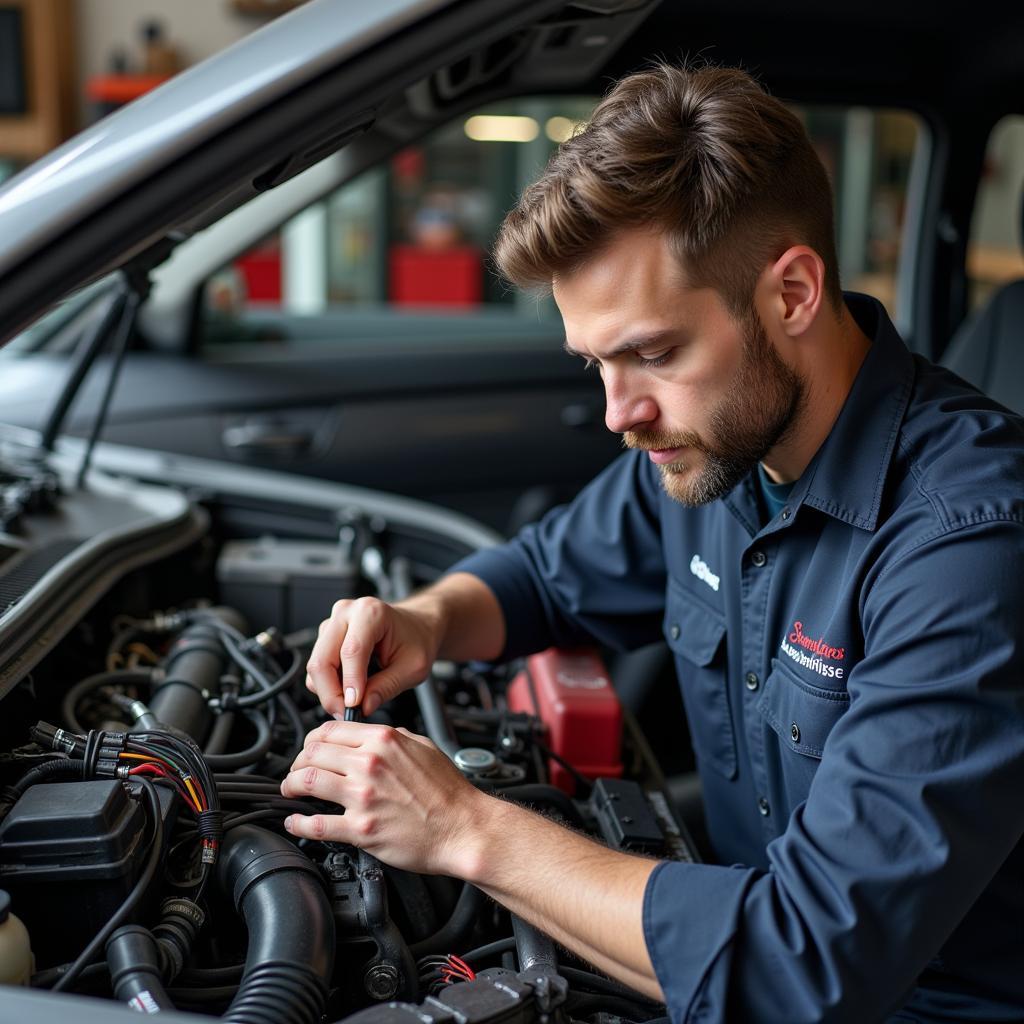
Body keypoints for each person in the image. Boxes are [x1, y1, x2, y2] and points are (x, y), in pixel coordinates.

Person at [281, 65, 1024, 1023]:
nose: (619, 412)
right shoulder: (715, 449)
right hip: (725, 936)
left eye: (655, 353)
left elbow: (805, 962)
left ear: (791, 292)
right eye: (594, 362)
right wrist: (424, 620)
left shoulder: (970, 545)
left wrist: (464, 829)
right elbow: (543, 575)